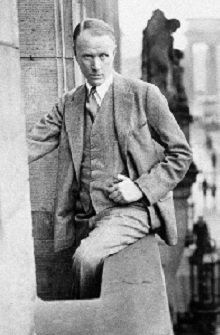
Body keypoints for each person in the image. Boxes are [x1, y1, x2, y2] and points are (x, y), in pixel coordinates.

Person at [26, 18, 192, 299]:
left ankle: (91, 329)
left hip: (129, 212)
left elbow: (181, 154)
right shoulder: (69, 103)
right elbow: (31, 144)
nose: (96, 66)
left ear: (113, 53)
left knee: (86, 260)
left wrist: (140, 187)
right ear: (76, 57)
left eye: (103, 56)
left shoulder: (144, 95)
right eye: (88, 57)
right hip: (82, 217)